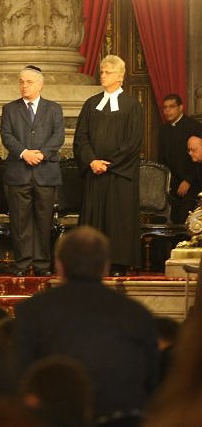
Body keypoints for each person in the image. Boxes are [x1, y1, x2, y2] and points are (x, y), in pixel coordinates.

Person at [14, 226, 158, 427]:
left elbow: (23, 378)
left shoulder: (31, 311)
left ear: (59, 266)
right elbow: (152, 382)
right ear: (105, 267)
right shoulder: (137, 314)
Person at [73, 55, 143, 276]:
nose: (102, 75)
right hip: (95, 173)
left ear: (120, 76)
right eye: (101, 71)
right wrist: (92, 161)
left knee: (118, 220)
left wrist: (109, 165)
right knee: (93, 221)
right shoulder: (91, 104)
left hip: (119, 175)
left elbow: (133, 142)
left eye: (107, 72)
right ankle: (91, 262)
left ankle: (118, 263)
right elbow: (81, 138)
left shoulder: (132, 105)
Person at [0, 65, 64, 277]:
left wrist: (42, 154)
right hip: (19, 172)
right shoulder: (9, 109)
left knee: (44, 221)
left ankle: (42, 264)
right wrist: (24, 152)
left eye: (29, 82)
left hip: (46, 172)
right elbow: (7, 135)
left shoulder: (54, 108)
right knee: (20, 221)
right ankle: (22, 262)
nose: (24, 86)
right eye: (21, 82)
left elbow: (58, 136)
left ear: (40, 84)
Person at [158, 94, 202, 223]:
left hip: (192, 182)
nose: (167, 111)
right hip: (172, 183)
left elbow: (199, 159)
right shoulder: (163, 130)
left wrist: (188, 180)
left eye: (171, 107)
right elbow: (162, 159)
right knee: (171, 217)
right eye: (165, 108)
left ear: (181, 107)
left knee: (186, 217)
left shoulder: (194, 126)